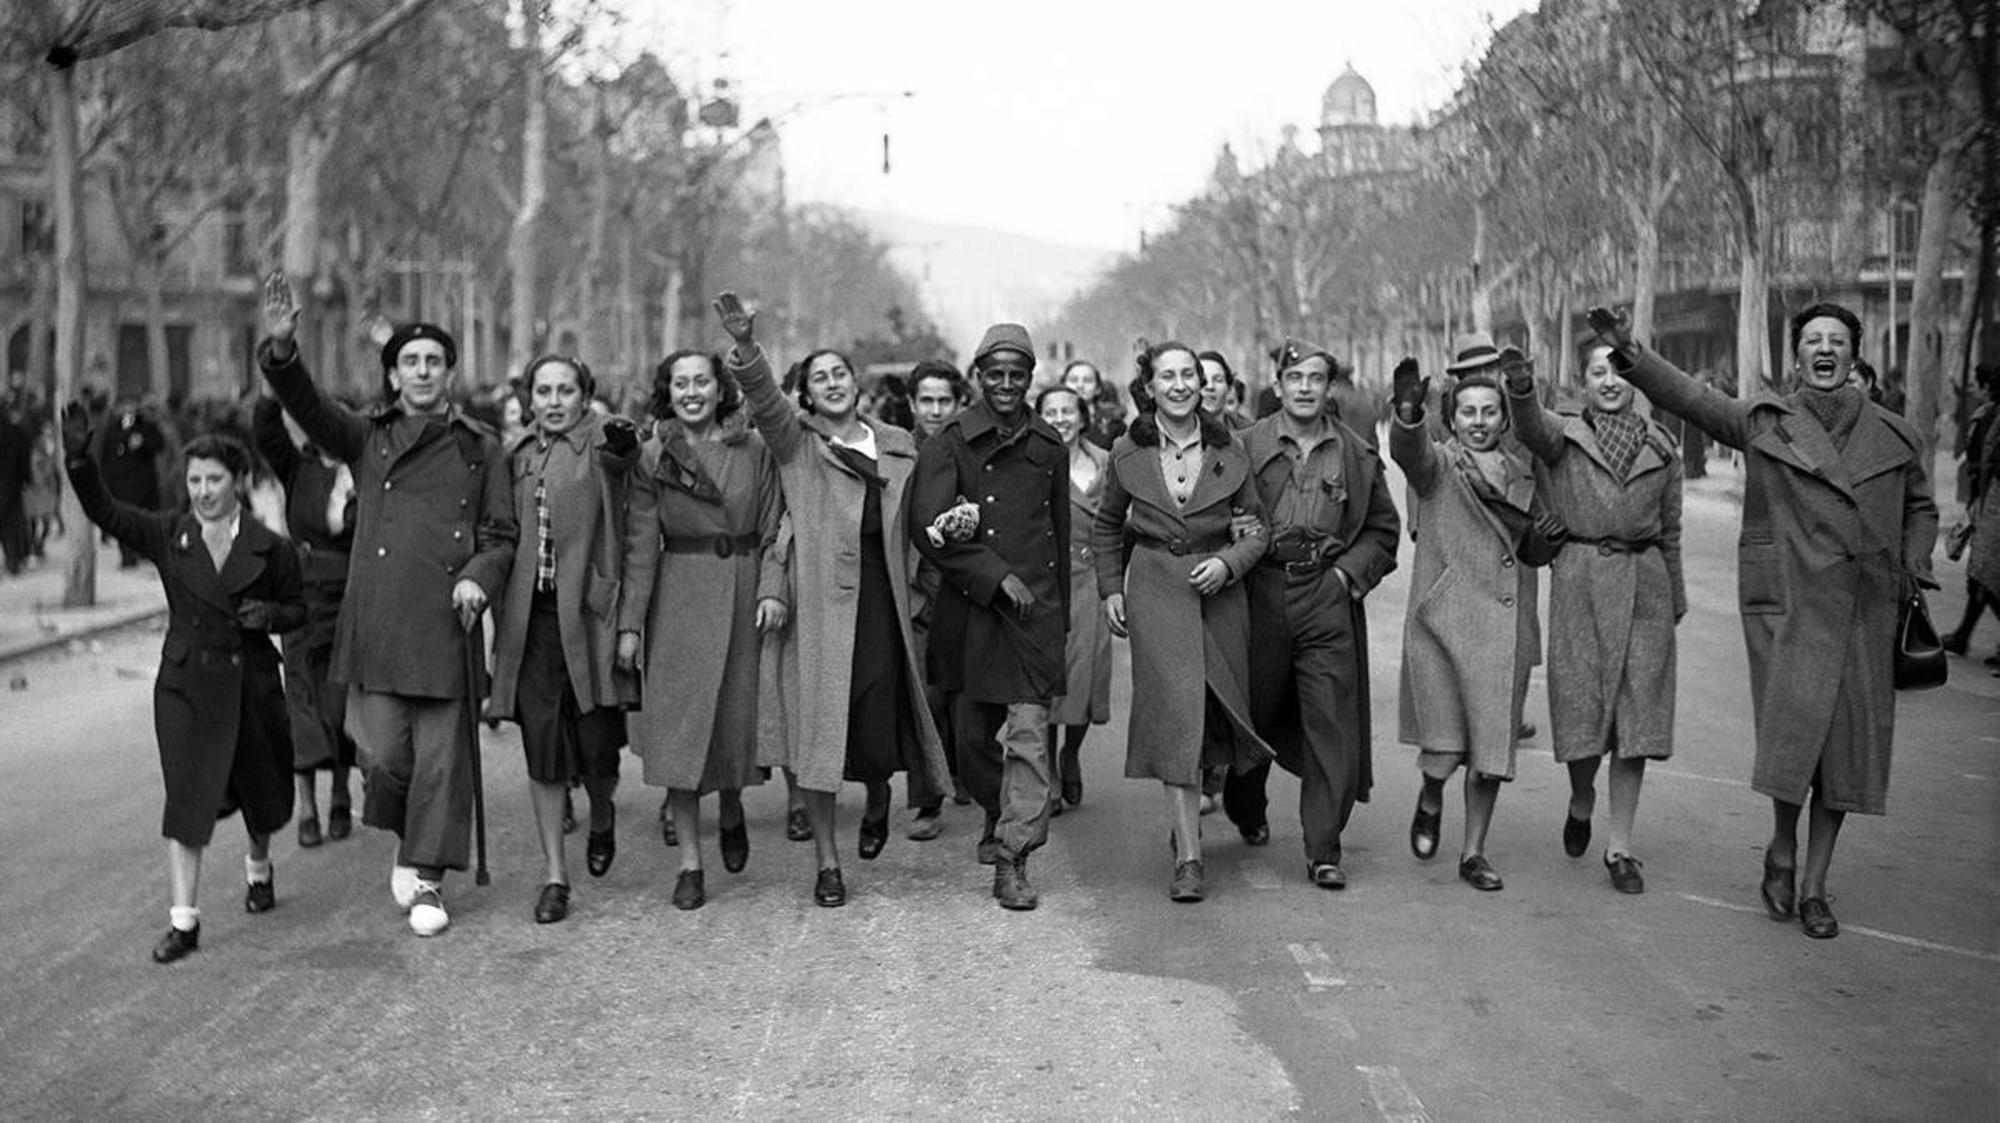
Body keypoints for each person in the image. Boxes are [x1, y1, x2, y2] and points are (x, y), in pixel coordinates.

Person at [1589, 302, 1938, 938]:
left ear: (1854, 355)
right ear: (1797, 355)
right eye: (1812, 341)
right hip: (1789, 607)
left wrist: (1913, 558)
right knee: (1795, 747)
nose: (1824, 349)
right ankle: (1782, 844)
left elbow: (1922, 508)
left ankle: (1814, 887)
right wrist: (1631, 353)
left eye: (1836, 340)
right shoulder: (1764, 422)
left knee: (1845, 757)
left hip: (1865, 608)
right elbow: (1693, 399)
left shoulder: (1894, 434)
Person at [257, 273, 516, 938]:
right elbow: (309, 407)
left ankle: (428, 873)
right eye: (410, 362)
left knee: (439, 761)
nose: (422, 370)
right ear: (394, 376)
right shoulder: (366, 437)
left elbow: (501, 534)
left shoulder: (479, 445)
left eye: (434, 360)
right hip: (377, 625)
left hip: (446, 621)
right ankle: (410, 837)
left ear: (449, 372)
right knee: (385, 758)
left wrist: (479, 578)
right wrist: (284, 346)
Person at [715, 294, 949, 907]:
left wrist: (926, 589)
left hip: (885, 603)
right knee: (819, 740)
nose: (832, 384)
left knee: (876, 731)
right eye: (819, 379)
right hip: (819, 610)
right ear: (808, 395)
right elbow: (764, 401)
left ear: (856, 385)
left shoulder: (899, 447)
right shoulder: (797, 446)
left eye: (839, 374)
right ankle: (827, 863)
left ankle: (877, 795)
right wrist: (746, 348)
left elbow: (923, 523)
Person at [62, 415, 304, 963]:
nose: (203, 492)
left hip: (251, 682)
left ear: (237, 480)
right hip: (186, 685)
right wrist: (80, 463)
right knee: (188, 797)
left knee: (260, 792)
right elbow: (107, 512)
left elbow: (298, 609)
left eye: (213, 480)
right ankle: (184, 920)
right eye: (194, 481)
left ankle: (258, 865)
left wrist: (269, 613)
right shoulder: (171, 534)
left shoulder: (271, 547)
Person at [1092, 340, 1272, 903]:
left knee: (1217, 712)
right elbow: (1104, 526)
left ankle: (1199, 802)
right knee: (1174, 716)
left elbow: (1258, 530)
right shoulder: (1127, 451)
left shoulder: (1232, 448)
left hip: (1219, 595)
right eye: (1166, 376)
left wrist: (1227, 563)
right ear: (1148, 387)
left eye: (1188, 375)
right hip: (1154, 592)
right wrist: (1109, 590)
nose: (1178, 385)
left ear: (1202, 383)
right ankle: (1190, 858)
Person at [1505, 344, 1684, 894]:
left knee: (1637, 723)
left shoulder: (1662, 444)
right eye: (1597, 373)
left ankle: (1621, 846)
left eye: (1618, 372)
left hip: (1644, 587)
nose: (1609, 382)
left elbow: (1672, 528)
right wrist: (1519, 386)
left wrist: (1673, 596)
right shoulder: (1563, 437)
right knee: (1583, 715)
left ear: (1635, 381)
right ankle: (1582, 796)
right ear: (1581, 382)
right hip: (1580, 582)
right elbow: (1531, 426)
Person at [618, 349, 787, 911]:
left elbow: (770, 528)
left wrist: (771, 588)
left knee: (735, 718)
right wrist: (632, 626)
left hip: (741, 589)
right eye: (681, 383)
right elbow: (641, 544)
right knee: (679, 729)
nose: (692, 392)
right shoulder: (651, 457)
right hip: (679, 594)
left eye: (703, 382)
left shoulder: (754, 449)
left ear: (721, 390)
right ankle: (690, 863)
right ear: (668, 392)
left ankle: (733, 803)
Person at [1230, 340, 1400, 890]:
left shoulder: (1356, 454)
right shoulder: (1242, 448)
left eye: (1317, 378)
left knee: (1331, 722)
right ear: (1276, 385)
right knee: (1250, 712)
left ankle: (1323, 848)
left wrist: (1346, 577)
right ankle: (1244, 799)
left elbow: (1382, 531)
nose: (1305, 387)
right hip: (1259, 592)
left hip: (1325, 595)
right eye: (1294, 376)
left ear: (1332, 389)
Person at [912, 324, 1069, 910]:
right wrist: (991, 574)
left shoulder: (1049, 445)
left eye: (1018, 374)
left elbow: (1059, 533)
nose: (1006, 384)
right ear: (978, 375)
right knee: (971, 740)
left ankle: (1014, 856)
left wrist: (1058, 624)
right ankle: (993, 807)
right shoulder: (949, 442)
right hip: (969, 613)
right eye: (995, 373)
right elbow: (926, 527)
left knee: (1029, 739)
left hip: (1033, 616)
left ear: (1031, 378)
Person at [487, 356, 639, 924]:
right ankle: (555, 874)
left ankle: (601, 812)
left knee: (598, 745)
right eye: (543, 391)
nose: (553, 401)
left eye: (565, 391)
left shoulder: (604, 443)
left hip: (591, 617)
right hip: (532, 623)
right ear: (530, 398)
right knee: (543, 748)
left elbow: (625, 457)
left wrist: (628, 622)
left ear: (584, 396)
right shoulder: (516, 455)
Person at [1388, 357, 1541, 892]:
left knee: (1489, 754)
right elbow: (1409, 453)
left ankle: (1474, 851)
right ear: (1451, 419)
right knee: (1446, 749)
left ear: (1504, 419)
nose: (1478, 421)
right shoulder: (1439, 467)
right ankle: (1431, 797)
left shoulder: (1523, 472)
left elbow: (1538, 542)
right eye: (1468, 412)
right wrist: (1408, 412)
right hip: (1445, 625)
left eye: (1490, 412)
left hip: (1502, 628)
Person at [252, 396, 358, 850]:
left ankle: (338, 794)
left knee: (338, 699)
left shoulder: (368, 472)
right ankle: (307, 806)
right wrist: (271, 390)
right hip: (298, 594)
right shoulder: (298, 470)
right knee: (300, 698)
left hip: (350, 597)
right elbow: (268, 434)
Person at [1037, 384, 1113, 810]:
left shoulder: (1107, 462)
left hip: (1095, 581)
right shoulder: (1032, 464)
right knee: (1050, 678)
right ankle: (1046, 767)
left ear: (1083, 417)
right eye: (1051, 411)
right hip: (1049, 580)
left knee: (1087, 677)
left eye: (1068, 411)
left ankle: (1072, 754)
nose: (1060, 419)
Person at [1945, 364, 1999, 667]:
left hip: (1992, 501)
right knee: (1981, 575)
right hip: (1987, 498)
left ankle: (1963, 635)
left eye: (1982, 384)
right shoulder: (1988, 414)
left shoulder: (1990, 415)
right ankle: (1963, 634)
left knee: (1985, 574)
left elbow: (1986, 459)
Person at [96, 398, 167, 568]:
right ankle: (127, 556)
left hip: (144, 484)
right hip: (121, 484)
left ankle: (145, 553)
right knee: (123, 521)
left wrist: (143, 443)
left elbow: (159, 444)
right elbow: (105, 457)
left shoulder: (147, 426)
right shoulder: (111, 429)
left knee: (144, 520)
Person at [1062, 360, 1125, 450]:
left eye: (1087, 381)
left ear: (1098, 388)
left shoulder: (1114, 424)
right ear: (1063, 385)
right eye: (1073, 380)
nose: (1080, 385)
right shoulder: (1050, 421)